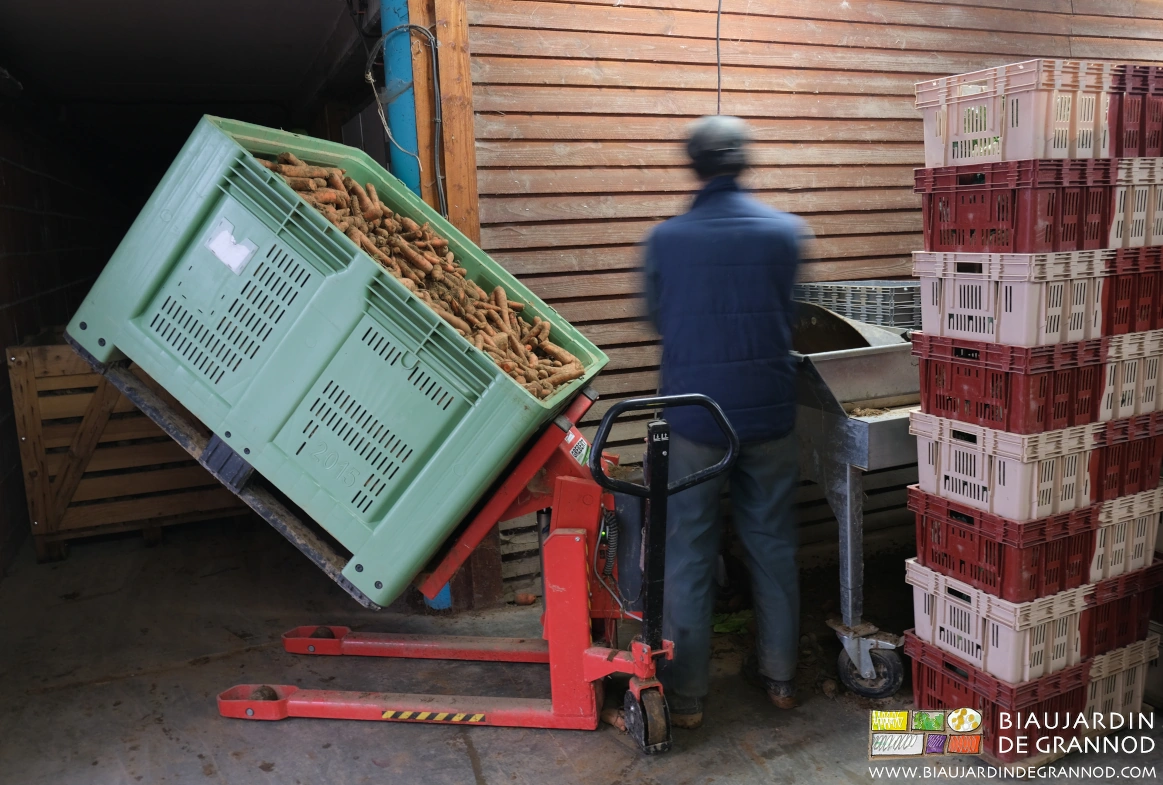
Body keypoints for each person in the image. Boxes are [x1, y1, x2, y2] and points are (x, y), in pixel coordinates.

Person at [642, 115, 808, 729]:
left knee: (687, 550)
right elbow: (790, 314)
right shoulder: (785, 233)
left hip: (695, 421)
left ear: (696, 165)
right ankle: (783, 679)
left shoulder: (667, 239)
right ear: (743, 162)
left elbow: (657, 317)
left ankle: (685, 699)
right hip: (771, 415)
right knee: (773, 545)